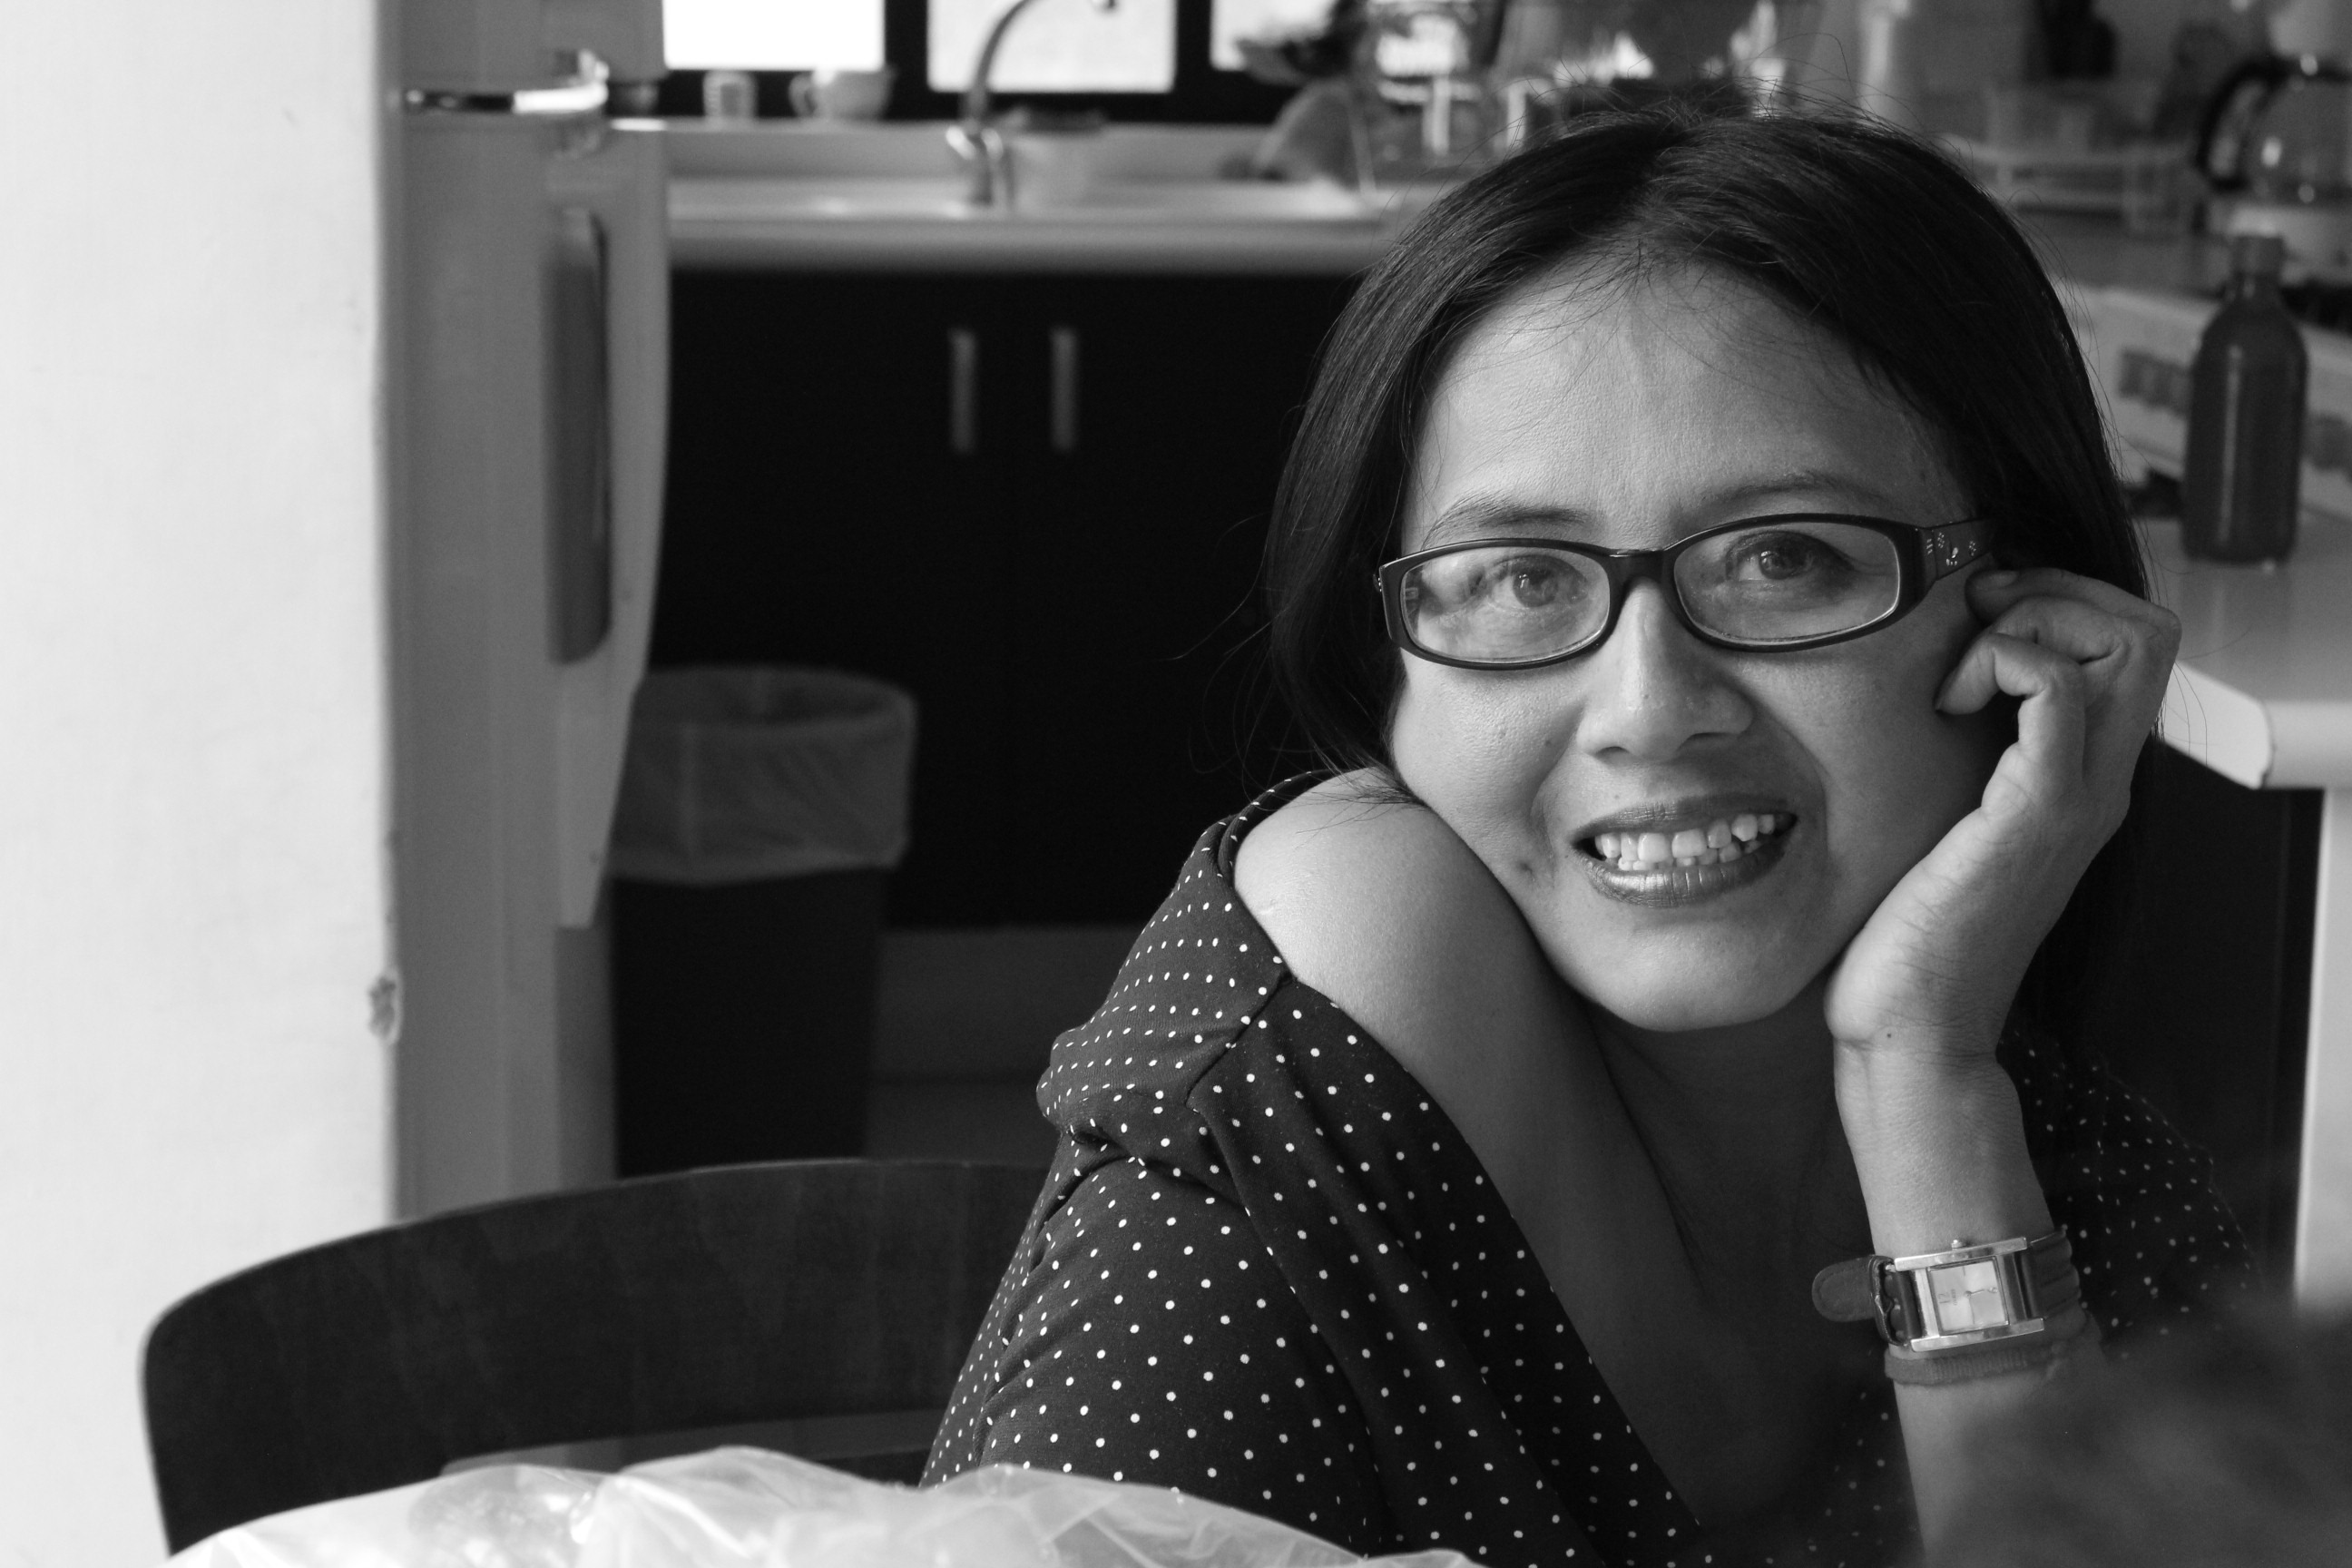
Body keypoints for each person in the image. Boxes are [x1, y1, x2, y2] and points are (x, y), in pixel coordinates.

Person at [925, 105, 2257, 1567]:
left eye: (1783, 558)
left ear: (2023, 615)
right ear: (1388, 663)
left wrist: (1922, 1078)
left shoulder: (2065, 1140)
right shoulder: (1318, 1043)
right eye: (1520, 579)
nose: (1649, 709)